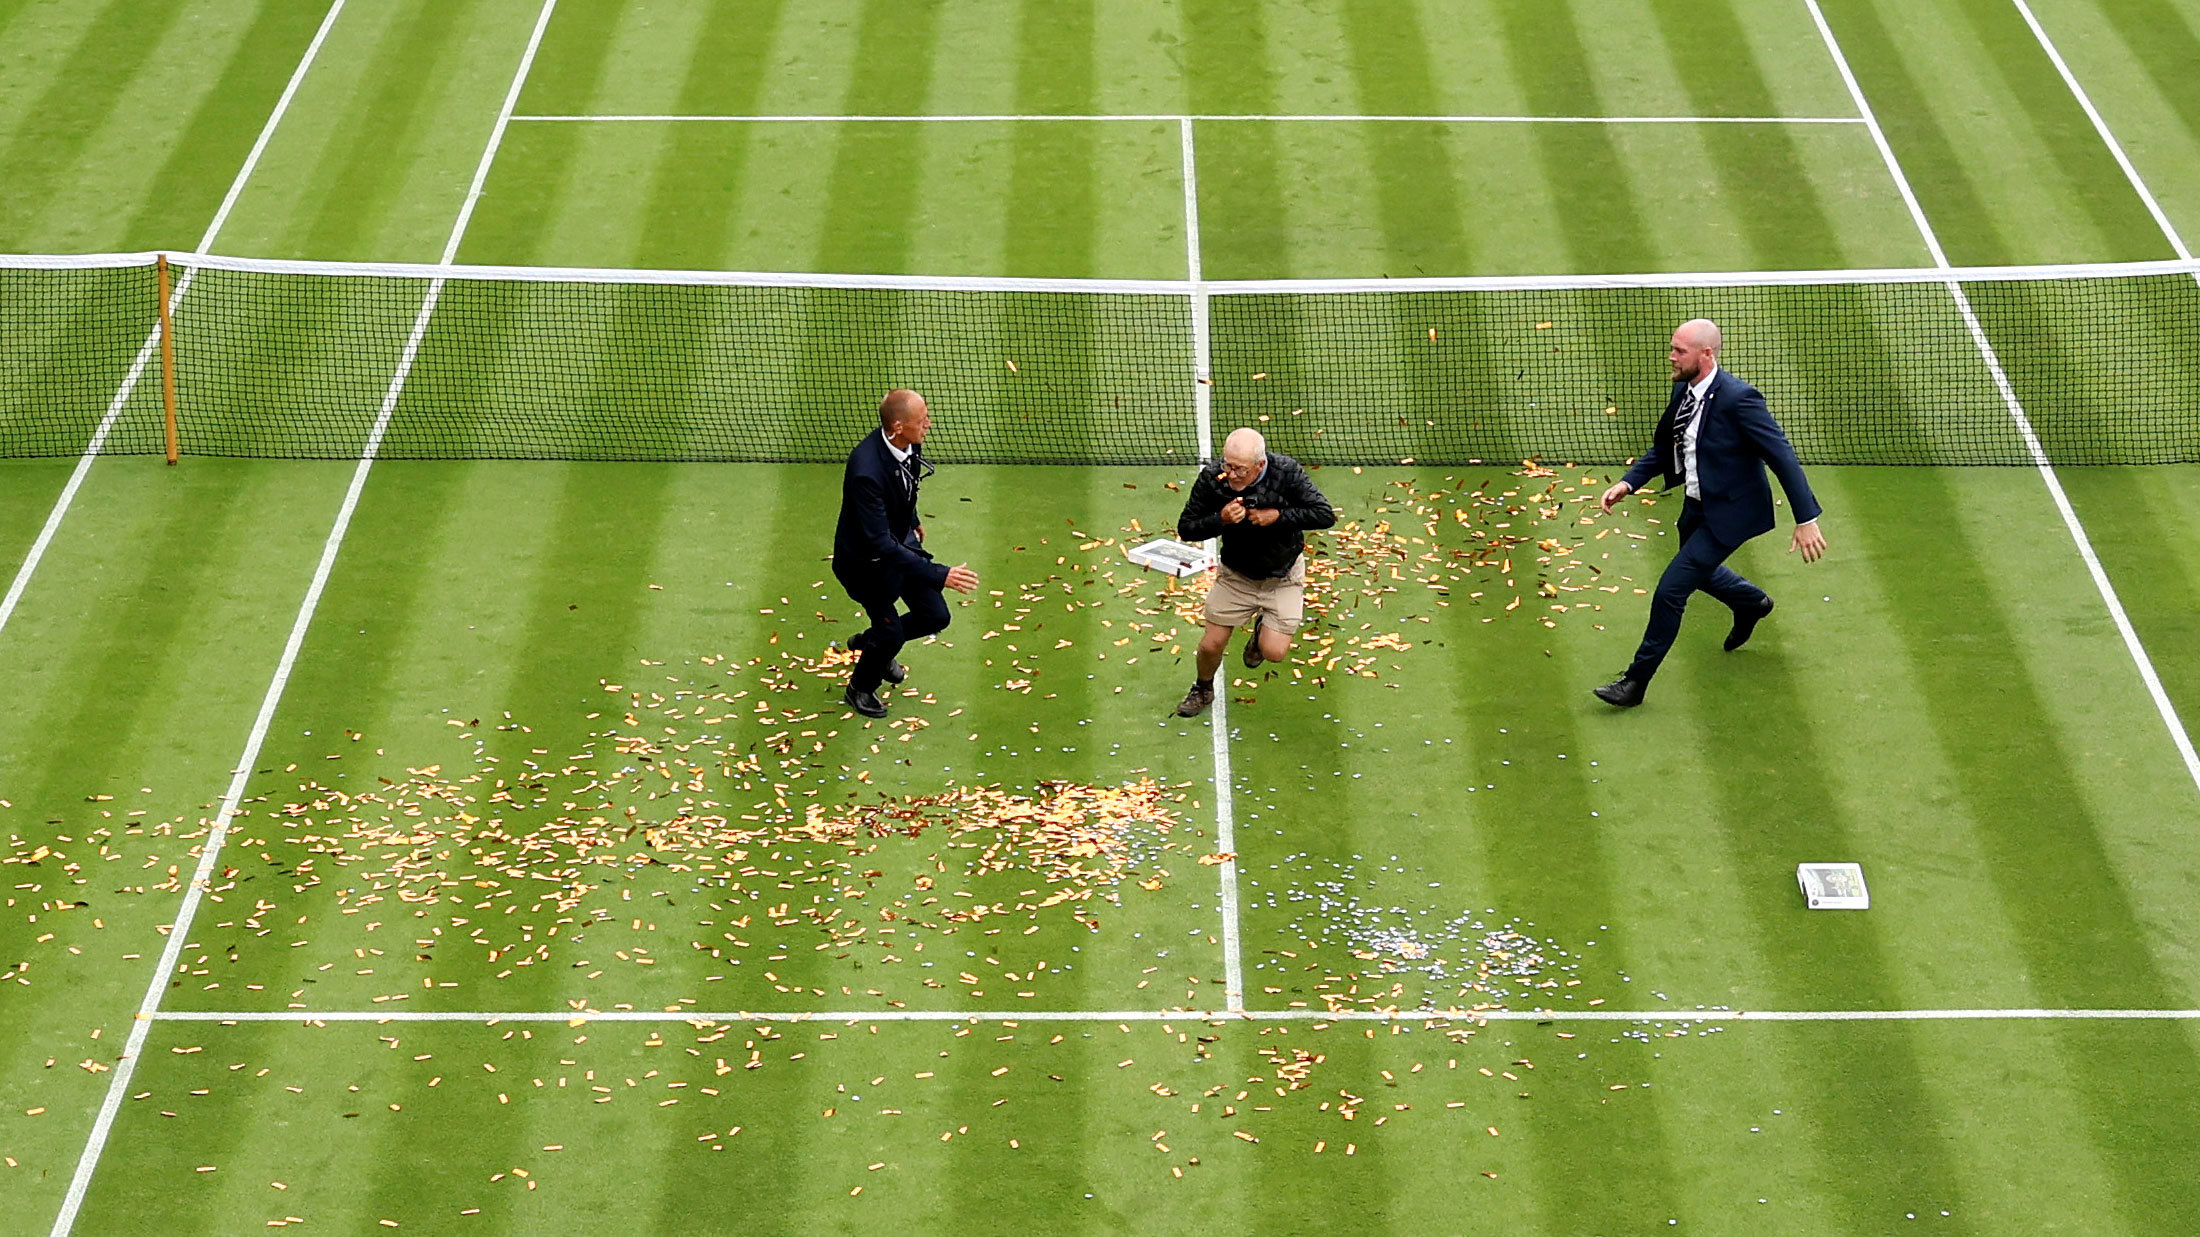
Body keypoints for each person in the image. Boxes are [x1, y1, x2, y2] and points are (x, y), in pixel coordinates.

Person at [1593, 319, 1826, 708]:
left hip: (1731, 514)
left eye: (1679, 350)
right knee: (1700, 572)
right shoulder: (1683, 390)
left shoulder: (1739, 399)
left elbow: (1781, 455)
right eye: (1672, 347)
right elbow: (1669, 446)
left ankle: (1635, 682)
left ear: (1706, 354)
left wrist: (1806, 519)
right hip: (1696, 507)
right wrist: (1630, 482)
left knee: (1671, 591)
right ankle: (1751, 602)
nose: (1671, 356)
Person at [832, 389, 980, 718]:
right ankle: (860, 688)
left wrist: (911, 520)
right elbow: (879, 544)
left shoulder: (908, 443)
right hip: (866, 565)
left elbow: (906, 484)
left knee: (935, 616)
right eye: (921, 420)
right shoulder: (865, 472)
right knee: (891, 632)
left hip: (899, 544)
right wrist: (942, 573)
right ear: (898, 426)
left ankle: (871, 644)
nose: (928, 424)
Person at [1172, 427, 1336, 717]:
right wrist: (1219, 519)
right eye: (1227, 465)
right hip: (1237, 575)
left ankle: (1262, 630)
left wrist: (1278, 517)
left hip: (1283, 576)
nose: (1231, 474)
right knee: (1211, 644)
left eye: (1240, 469)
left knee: (1273, 652)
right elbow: (1186, 528)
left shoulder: (1286, 472)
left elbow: (1324, 514)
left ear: (1260, 465)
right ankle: (1203, 687)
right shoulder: (1213, 479)